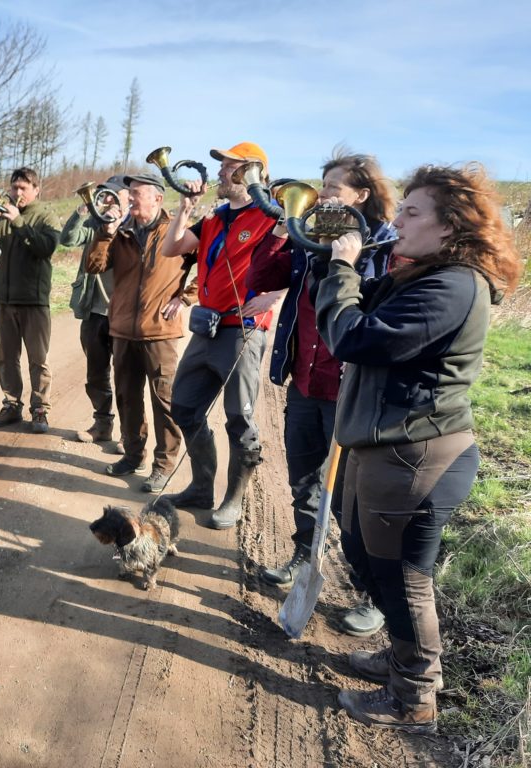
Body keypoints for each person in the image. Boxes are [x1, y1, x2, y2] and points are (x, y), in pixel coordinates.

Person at [315, 163, 521, 732]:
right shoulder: (420, 276)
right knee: (364, 556)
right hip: (380, 446)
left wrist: (342, 269)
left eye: (411, 212)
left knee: (404, 579)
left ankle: (415, 696)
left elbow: (352, 336)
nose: (398, 220)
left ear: (449, 226)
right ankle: (400, 657)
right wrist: (330, 258)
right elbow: (345, 304)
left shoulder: (453, 287)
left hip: (417, 455)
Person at [249, 150, 397, 639]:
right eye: (324, 185)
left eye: (335, 187)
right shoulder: (308, 238)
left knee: (354, 497)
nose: (324, 194)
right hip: (306, 382)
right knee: (303, 480)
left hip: (351, 391)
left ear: (362, 195)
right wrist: (282, 229)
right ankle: (302, 554)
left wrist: (347, 260)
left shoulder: (383, 245)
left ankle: (372, 593)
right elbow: (261, 280)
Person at [159, 142, 280, 529]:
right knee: (184, 407)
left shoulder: (271, 214)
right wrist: (185, 209)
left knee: (239, 418)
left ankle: (234, 499)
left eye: (230, 166)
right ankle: (201, 488)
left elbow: (299, 259)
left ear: (254, 173)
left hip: (243, 330)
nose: (222, 172)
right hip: (206, 327)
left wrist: (276, 294)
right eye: (223, 165)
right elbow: (171, 248)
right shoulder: (215, 218)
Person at [85, 173, 188, 493]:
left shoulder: (176, 229)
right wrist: (106, 232)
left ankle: (164, 465)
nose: (129, 199)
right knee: (127, 398)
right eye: (129, 193)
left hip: (160, 332)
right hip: (122, 330)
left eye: (136, 194)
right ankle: (132, 456)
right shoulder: (121, 231)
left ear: (157, 198)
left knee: (164, 401)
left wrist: (186, 296)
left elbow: (208, 264)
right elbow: (94, 266)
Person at [0, 168, 61, 433]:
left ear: (36, 190)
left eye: (24, 188)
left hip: (33, 300)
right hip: (3, 298)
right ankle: (11, 404)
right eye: (14, 187)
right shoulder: (2, 213)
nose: (17, 193)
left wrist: (18, 221)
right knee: (7, 357)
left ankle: (40, 409)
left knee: (38, 359)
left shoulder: (46, 215)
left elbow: (46, 248)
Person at [60, 176, 129, 444]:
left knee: (126, 376)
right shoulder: (93, 222)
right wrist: (84, 210)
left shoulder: (135, 227)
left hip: (124, 314)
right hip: (94, 311)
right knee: (96, 374)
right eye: (104, 194)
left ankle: (129, 434)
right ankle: (103, 424)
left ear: (128, 198)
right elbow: (68, 239)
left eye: (114, 195)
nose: (108, 199)